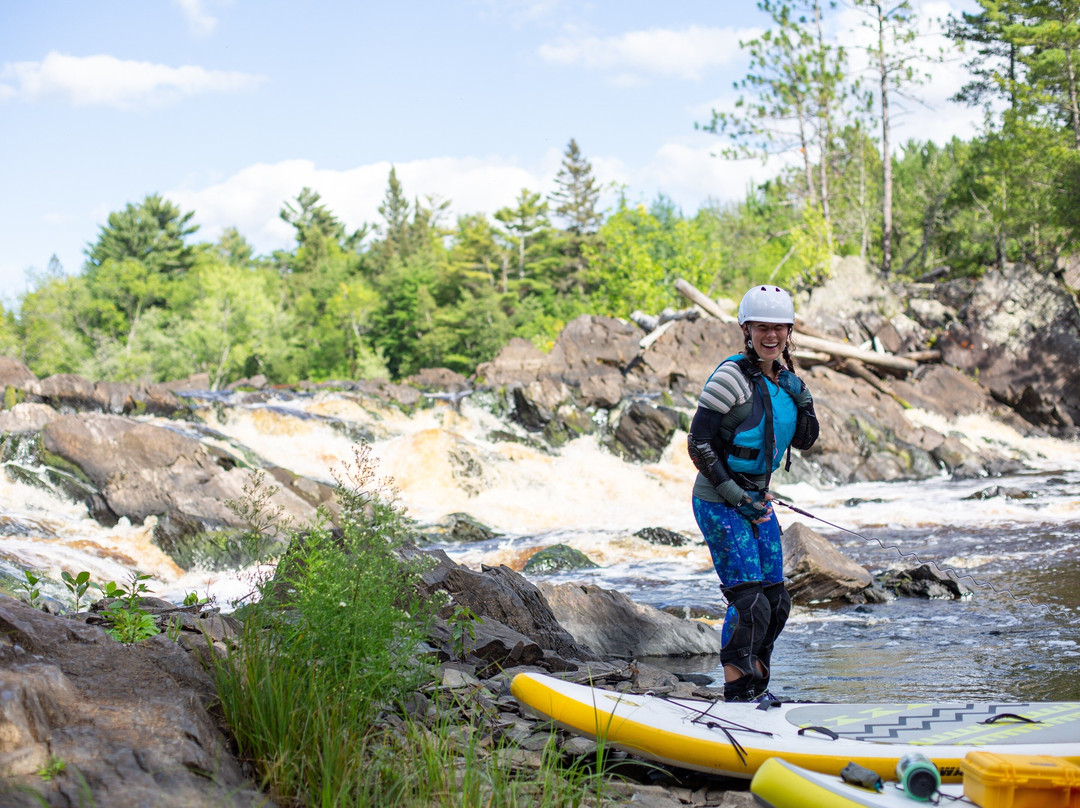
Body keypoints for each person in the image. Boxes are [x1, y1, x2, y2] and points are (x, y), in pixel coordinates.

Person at [686, 284, 819, 703]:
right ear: (747, 328)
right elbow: (698, 442)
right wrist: (733, 494)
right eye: (763, 327)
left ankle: (758, 684)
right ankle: (736, 689)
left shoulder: (784, 381)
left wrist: (805, 398)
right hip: (719, 501)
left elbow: (806, 439)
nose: (772, 337)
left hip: (756, 502)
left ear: (789, 331)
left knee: (776, 603)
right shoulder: (730, 377)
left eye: (779, 328)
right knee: (749, 602)